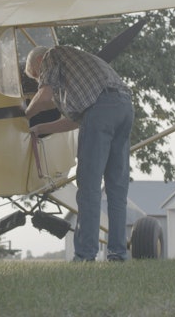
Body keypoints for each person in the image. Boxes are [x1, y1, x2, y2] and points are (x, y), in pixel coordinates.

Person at [23, 45, 134, 261]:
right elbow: (76, 121)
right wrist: (40, 129)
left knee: (89, 189)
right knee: (116, 190)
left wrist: (25, 114)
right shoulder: (77, 68)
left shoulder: (51, 56)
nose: (40, 80)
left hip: (101, 111)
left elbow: (44, 97)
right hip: (125, 108)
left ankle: (85, 255)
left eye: (37, 76)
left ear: (37, 63)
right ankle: (117, 254)